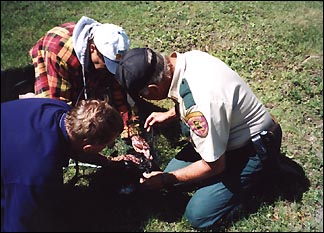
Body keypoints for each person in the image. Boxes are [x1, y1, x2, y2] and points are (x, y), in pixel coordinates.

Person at [114, 47, 283, 229]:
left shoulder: (200, 104)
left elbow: (214, 165)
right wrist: (171, 113)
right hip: (230, 136)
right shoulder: (186, 60)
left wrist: (164, 179)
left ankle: (260, 184)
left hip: (254, 149)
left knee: (198, 216)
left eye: (142, 94)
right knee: (175, 177)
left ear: (153, 88)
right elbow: (186, 94)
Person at [0, 97, 145, 232]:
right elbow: (17, 225)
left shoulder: (60, 111)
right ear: (89, 147)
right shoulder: (37, 176)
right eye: (107, 144)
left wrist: (108, 162)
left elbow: (76, 148)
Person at [26, 16, 150, 158]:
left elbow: (118, 90)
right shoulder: (61, 55)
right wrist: (87, 144)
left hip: (80, 61)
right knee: (53, 116)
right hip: (53, 51)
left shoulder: (111, 47)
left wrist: (131, 130)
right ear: (92, 48)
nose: (110, 70)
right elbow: (60, 107)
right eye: (107, 64)